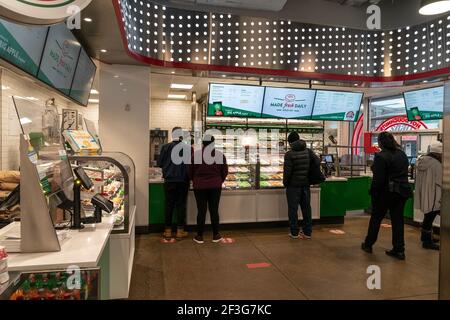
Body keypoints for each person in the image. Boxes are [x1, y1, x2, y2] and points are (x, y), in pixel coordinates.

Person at [362, 132, 412, 260]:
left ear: (380, 142)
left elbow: (378, 180)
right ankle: (399, 250)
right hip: (402, 192)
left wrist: (372, 192)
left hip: (385, 193)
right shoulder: (402, 154)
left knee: (376, 218)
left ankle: (368, 244)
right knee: (397, 221)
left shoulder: (381, 156)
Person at [189, 135, 228, 244]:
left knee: (201, 211)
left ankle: (199, 236)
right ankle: (216, 235)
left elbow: (190, 171)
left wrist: (195, 180)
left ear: (203, 143)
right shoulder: (220, 155)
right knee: (214, 210)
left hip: (199, 186)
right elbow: (224, 171)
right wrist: (219, 180)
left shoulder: (196, 155)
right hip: (215, 186)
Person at [283, 132, 320, 240]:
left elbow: (287, 172)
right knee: (306, 208)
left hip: (293, 186)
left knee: (293, 210)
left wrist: (285, 183)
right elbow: (317, 161)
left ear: (290, 142)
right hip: (305, 185)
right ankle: (307, 232)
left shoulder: (289, 154)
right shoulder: (308, 151)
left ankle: (294, 232)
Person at [157, 127, 191, 240]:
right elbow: (190, 165)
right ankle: (180, 232)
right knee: (181, 205)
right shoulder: (187, 148)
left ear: (172, 135)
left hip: (169, 180)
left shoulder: (165, 147)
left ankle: (167, 231)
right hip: (183, 180)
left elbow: (160, 163)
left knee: (169, 205)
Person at [415, 142, 443, 251]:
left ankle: (426, 238)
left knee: (428, 217)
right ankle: (427, 242)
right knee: (429, 217)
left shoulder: (421, 160)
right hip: (434, 195)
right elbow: (441, 181)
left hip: (425, 194)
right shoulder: (436, 164)